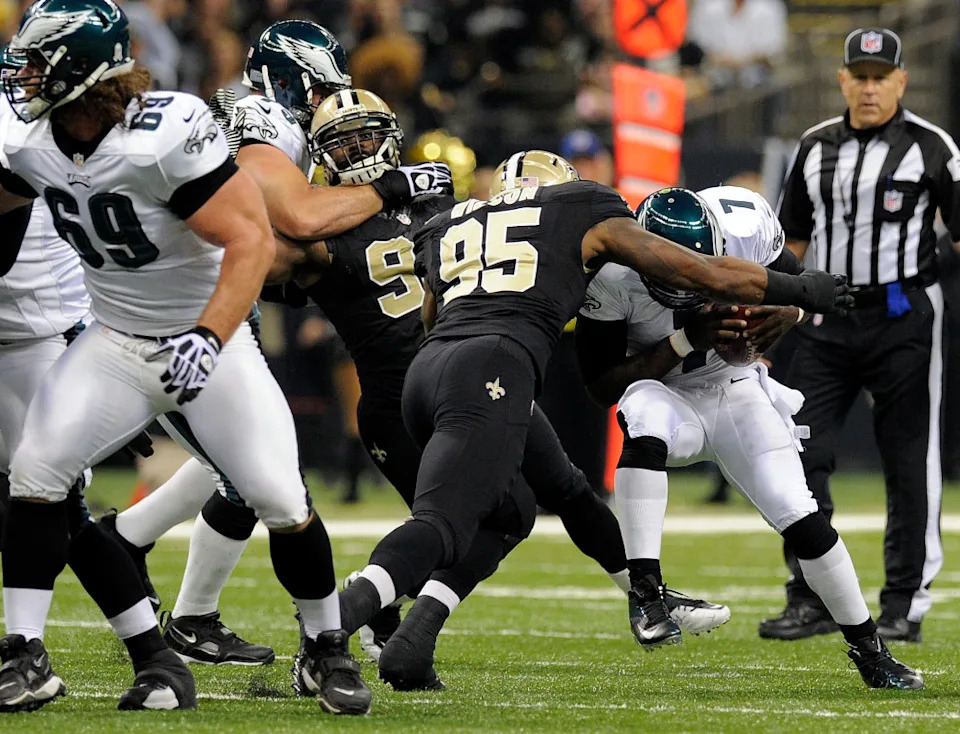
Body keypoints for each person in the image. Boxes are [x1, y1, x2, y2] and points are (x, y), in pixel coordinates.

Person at [334, 149, 853, 672]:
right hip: (492, 365)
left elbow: (430, 316)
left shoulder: (451, 222)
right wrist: (801, 292)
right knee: (446, 523)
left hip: (430, 369)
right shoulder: (578, 206)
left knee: (543, 501)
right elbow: (696, 271)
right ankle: (333, 626)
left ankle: (419, 640)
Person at [0, 0, 369, 715]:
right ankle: (24, 652)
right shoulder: (30, 141)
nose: (25, 76)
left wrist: (208, 333)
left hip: (206, 340)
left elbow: (251, 239)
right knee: (37, 472)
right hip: (113, 338)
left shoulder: (164, 133)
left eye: (40, 62)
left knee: (276, 494)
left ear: (80, 69)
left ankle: (326, 648)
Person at [101, 18, 452, 669]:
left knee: (244, 458)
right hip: (184, 299)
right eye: (322, 88)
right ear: (291, 82)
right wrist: (394, 187)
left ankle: (126, 540)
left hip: (208, 286)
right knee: (259, 470)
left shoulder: (265, 120)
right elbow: (301, 216)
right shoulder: (261, 116)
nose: (329, 102)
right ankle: (216, 618)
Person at [575, 185, 923, 689]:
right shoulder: (613, 272)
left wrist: (788, 314)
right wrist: (687, 338)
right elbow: (602, 387)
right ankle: (647, 595)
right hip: (664, 393)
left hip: (733, 387)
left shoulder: (747, 224)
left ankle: (871, 650)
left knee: (798, 511)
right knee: (643, 414)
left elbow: (805, 288)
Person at [763, 27, 960, 643]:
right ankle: (811, 595)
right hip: (827, 319)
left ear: (901, 81)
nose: (870, 88)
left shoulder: (933, 147)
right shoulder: (814, 145)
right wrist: (771, 317)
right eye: (861, 76)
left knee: (909, 462)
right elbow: (791, 242)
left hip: (904, 317)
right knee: (799, 455)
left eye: (881, 77)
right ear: (843, 79)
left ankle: (904, 603)